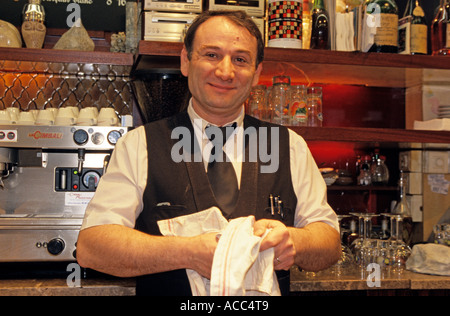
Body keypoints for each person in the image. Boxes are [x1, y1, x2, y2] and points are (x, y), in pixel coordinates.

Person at [76, 10, 341, 296]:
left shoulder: (289, 145)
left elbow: (329, 243)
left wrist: (295, 241)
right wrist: (186, 252)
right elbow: (93, 248)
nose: (225, 72)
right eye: (211, 55)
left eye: (240, 59)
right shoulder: (139, 145)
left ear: (256, 74)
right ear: (186, 62)